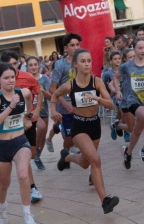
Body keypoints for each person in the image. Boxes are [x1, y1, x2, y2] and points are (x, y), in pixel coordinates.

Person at [50, 49, 119, 213]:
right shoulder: (70, 86)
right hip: (79, 126)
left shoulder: (97, 82)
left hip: (94, 125)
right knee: (95, 159)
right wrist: (53, 110)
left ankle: (66, 158)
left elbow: (110, 105)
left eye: (89, 61)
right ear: (75, 64)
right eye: (83, 61)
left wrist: (97, 98)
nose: (87, 64)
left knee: (85, 162)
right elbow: (54, 95)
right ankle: (105, 200)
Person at [0, 63, 36, 224]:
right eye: (6, 78)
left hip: (19, 141)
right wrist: (11, 106)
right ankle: (2, 209)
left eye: (12, 77)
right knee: (4, 184)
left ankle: (27, 214)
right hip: (1, 145)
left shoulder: (22, 93)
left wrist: (28, 117)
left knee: (23, 175)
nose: (10, 81)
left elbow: (30, 98)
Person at [1, 51, 44, 203]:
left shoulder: (28, 77)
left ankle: (29, 183)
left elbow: (39, 93)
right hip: (14, 125)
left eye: (15, 63)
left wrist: (36, 110)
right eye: (10, 64)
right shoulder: (2, 81)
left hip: (29, 121)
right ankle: (32, 188)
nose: (13, 67)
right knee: (23, 156)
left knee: (31, 154)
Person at [111, 39, 144, 168]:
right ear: (135, 49)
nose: (143, 50)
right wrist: (118, 90)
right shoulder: (127, 66)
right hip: (132, 101)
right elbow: (115, 78)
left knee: (136, 131)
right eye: (140, 48)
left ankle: (128, 152)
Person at [48, 33, 82, 160]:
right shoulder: (61, 64)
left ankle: (76, 157)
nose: (76, 47)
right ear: (66, 48)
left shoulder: (83, 61)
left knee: (81, 135)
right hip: (65, 107)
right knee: (68, 140)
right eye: (72, 45)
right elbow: (52, 88)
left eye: (77, 45)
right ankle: (65, 156)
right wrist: (65, 103)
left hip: (81, 104)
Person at [28, 57, 51, 170]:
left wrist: (42, 92)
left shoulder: (44, 79)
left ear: (39, 65)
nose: (33, 67)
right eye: (30, 65)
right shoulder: (26, 79)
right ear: (27, 67)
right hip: (31, 111)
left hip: (44, 111)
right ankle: (34, 153)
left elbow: (51, 97)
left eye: (35, 64)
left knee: (42, 136)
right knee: (40, 129)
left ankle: (37, 157)